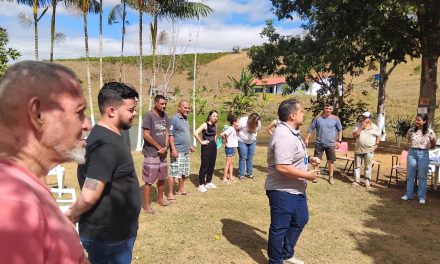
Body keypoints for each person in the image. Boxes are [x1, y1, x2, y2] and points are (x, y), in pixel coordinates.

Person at [0, 61, 90, 263]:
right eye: (80, 112)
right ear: (38, 114)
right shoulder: (11, 203)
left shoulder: (24, 187)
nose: (87, 125)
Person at [65, 82, 141, 264]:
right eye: (131, 110)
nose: (135, 113)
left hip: (115, 236)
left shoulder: (112, 135)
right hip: (108, 239)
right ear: (112, 111)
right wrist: (70, 214)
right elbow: (90, 194)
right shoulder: (105, 145)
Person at [265, 99, 320, 264]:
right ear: (292, 115)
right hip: (282, 190)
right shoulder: (283, 135)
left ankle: (286, 253)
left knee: (300, 219)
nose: (303, 114)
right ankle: (275, 261)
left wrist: (309, 158)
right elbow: (282, 167)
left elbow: (293, 155)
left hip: (296, 189)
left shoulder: (292, 132)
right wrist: (307, 175)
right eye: (301, 111)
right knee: (279, 227)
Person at [142, 95, 171, 214]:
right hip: (152, 153)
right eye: (162, 104)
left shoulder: (165, 116)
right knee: (149, 180)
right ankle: (147, 205)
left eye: (165, 104)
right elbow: (146, 134)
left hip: (163, 153)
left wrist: (165, 146)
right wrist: (159, 147)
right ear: (156, 103)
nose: (164, 106)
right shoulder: (149, 115)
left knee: (162, 177)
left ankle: (160, 199)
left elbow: (167, 132)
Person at [402, 114, 436, 204]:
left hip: (423, 153)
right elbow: (408, 139)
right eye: (416, 120)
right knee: (410, 175)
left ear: (424, 121)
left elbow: (433, 143)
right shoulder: (411, 130)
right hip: (412, 153)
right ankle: (408, 195)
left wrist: (425, 148)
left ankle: (421, 197)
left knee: (422, 176)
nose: (417, 121)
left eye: (419, 120)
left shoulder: (430, 132)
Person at [305, 104, 342, 184]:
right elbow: (311, 128)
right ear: (324, 109)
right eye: (327, 108)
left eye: (330, 109)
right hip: (319, 143)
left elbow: (340, 130)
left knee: (331, 161)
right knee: (316, 160)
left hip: (331, 144)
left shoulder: (335, 118)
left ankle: (331, 177)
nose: (328, 110)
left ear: (332, 110)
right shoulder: (317, 118)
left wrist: (339, 141)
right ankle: (315, 175)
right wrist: (307, 138)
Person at [168, 100, 194, 197]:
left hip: (186, 150)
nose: (187, 109)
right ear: (179, 107)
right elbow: (170, 135)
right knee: (174, 171)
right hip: (177, 150)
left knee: (183, 171)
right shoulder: (174, 119)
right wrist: (173, 149)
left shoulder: (186, 119)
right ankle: (170, 193)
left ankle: (181, 189)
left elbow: (185, 133)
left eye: (188, 108)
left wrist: (189, 145)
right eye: (185, 107)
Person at [352, 111, 380, 190]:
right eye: (362, 117)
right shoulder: (358, 125)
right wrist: (361, 127)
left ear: (369, 118)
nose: (363, 119)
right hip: (358, 148)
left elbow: (379, 136)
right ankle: (356, 181)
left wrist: (376, 145)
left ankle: (367, 182)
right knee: (357, 166)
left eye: (365, 117)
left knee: (368, 166)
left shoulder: (375, 127)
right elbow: (354, 135)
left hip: (369, 149)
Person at [194, 110, 219, 192]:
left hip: (213, 147)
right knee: (205, 165)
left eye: (216, 116)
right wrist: (201, 142)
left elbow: (215, 134)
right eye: (214, 116)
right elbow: (195, 133)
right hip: (206, 147)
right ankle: (201, 184)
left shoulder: (215, 125)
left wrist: (214, 143)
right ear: (210, 116)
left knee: (212, 164)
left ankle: (208, 182)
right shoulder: (205, 124)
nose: (215, 118)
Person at [237, 113, 261, 179]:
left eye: (257, 121)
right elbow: (237, 128)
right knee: (243, 157)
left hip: (252, 141)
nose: (257, 122)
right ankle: (241, 174)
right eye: (255, 121)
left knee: (250, 158)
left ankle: (249, 173)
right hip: (242, 141)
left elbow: (258, 130)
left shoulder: (258, 122)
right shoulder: (243, 121)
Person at [220, 115, 239, 183]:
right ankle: (224, 178)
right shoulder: (230, 129)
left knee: (231, 163)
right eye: (237, 122)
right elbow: (222, 134)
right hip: (229, 148)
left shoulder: (233, 129)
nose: (238, 124)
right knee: (228, 163)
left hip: (232, 148)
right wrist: (226, 141)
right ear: (234, 122)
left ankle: (230, 176)